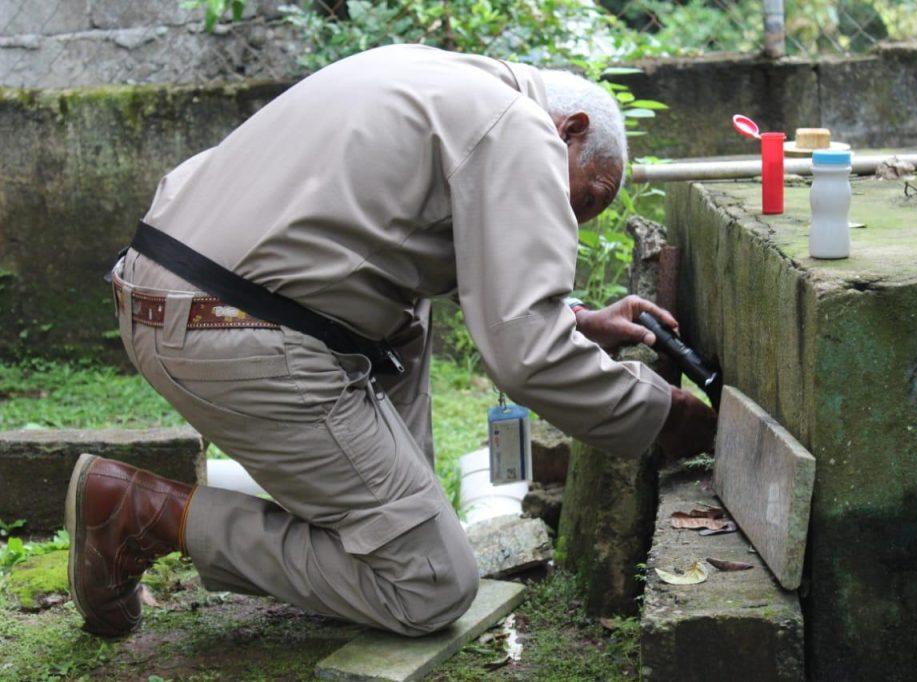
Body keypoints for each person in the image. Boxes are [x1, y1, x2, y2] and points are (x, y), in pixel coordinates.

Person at [65, 44, 717, 639]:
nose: (569, 219)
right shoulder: (518, 125)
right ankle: (141, 514)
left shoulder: (436, 77)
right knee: (431, 586)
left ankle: (369, 534)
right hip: (236, 332)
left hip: (173, 298)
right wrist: (662, 413)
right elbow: (527, 355)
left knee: (411, 318)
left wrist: (574, 317)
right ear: (569, 129)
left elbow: (434, 251)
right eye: (584, 198)